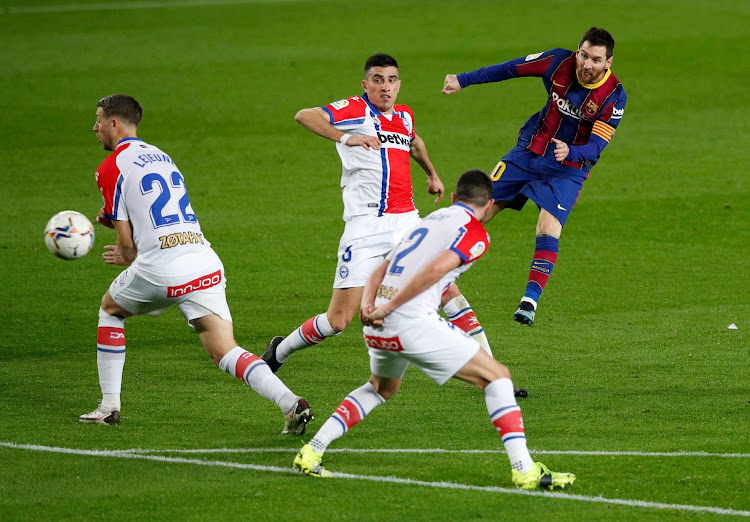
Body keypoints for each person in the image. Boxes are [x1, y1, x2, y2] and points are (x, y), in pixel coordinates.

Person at [293, 170, 575, 489]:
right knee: (498, 376)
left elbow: (383, 265)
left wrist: (370, 304)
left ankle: (311, 451)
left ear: (455, 197)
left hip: (379, 321)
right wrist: (390, 306)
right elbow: (437, 270)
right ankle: (525, 470)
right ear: (489, 205)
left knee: (380, 388)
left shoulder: (431, 219)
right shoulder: (476, 234)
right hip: (409, 320)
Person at [78, 94, 313, 435]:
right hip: (204, 262)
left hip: (162, 268)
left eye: (98, 120)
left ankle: (109, 407)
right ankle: (291, 403)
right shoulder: (163, 157)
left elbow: (128, 250)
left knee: (110, 311)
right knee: (224, 350)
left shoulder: (110, 167)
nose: (95, 127)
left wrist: (120, 250)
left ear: (114, 123)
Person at [263, 53, 502, 385]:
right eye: (378, 80)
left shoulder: (404, 115)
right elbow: (305, 115)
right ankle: (278, 352)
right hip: (365, 227)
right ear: (366, 84)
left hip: (407, 223)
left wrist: (431, 173)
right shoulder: (353, 110)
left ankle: (492, 371)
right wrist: (348, 137)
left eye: (391, 80)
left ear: (399, 85)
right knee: (339, 320)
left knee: (448, 289)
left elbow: (413, 142)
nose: (385, 87)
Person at [442, 27, 627, 326]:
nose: (587, 65)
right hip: (530, 151)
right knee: (477, 209)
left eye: (595, 59)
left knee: (548, 225)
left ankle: (529, 301)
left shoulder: (614, 96)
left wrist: (572, 152)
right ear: (577, 49)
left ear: (608, 62)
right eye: (583, 55)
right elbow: (510, 68)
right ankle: (432, 269)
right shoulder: (556, 62)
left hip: (568, 169)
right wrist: (463, 80)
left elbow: (597, 146)